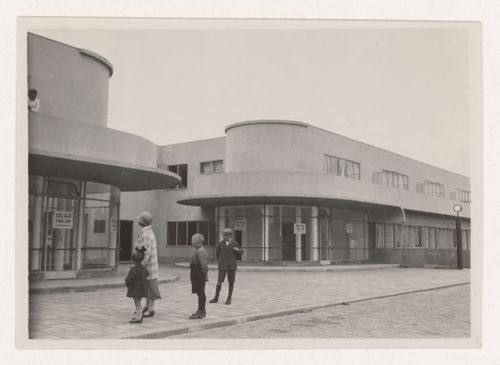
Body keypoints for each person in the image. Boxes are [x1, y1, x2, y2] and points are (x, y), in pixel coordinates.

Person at [134, 211, 161, 318]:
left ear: (142, 222)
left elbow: (146, 252)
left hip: (147, 267)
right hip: (151, 266)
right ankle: (147, 307)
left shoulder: (145, 234)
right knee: (149, 288)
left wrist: (140, 265)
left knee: (150, 288)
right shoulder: (149, 232)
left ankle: (150, 309)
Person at [209, 228, 243, 305]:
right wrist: (220, 261)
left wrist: (237, 250)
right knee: (219, 281)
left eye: (226, 235)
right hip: (222, 266)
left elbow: (241, 251)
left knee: (231, 282)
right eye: (223, 235)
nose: (224, 237)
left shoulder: (234, 243)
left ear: (230, 236)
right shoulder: (220, 243)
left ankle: (229, 298)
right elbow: (217, 254)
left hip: (232, 266)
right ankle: (216, 297)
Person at [124, 247, 148, 324]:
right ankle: (138, 315)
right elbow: (147, 274)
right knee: (138, 302)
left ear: (133, 260)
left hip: (135, 289)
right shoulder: (143, 268)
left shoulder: (133, 269)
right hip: (142, 289)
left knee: (137, 303)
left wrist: (128, 285)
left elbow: (128, 279)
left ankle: (139, 317)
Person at [189, 233, 209, 319]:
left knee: (201, 293)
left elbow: (204, 265)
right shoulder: (199, 250)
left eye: (192, 240)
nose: (191, 241)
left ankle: (201, 311)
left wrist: (205, 276)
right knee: (199, 293)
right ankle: (199, 310)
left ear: (197, 241)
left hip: (199, 275)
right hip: (197, 275)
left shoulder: (200, 251)